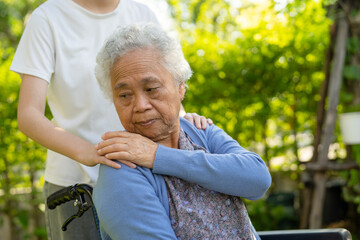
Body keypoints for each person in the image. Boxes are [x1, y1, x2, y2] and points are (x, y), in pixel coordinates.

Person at [10, 0, 210, 239]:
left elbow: (161, 84)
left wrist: (186, 120)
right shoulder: (48, 18)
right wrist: (89, 152)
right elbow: (29, 115)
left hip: (148, 177)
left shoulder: (142, 12)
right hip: (78, 186)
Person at [93, 23, 272, 240]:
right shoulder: (121, 169)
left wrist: (158, 157)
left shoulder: (199, 130)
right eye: (124, 95)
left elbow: (257, 179)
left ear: (180, 87)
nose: (140, 105)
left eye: (151, 89)